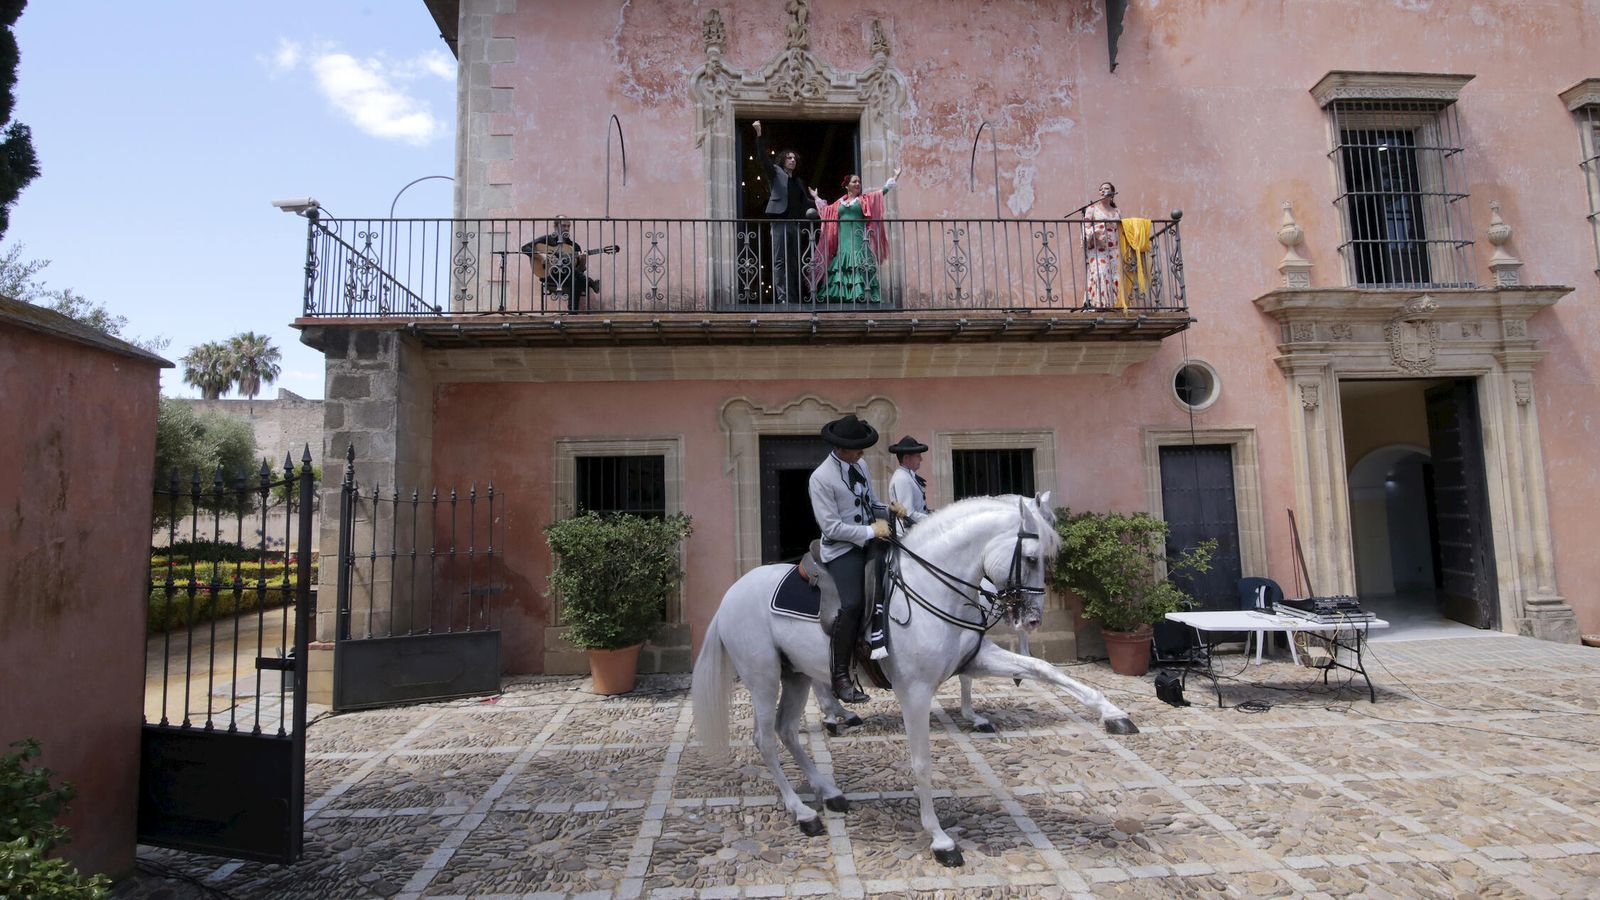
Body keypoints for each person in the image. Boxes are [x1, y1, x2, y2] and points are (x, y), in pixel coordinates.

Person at [809, 414, 905, 702]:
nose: (863, 453)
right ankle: (840, 676)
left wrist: (889, 510)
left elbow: (869, 501)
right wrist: (869, 530)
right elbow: (831, 527)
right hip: (841, 549)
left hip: (870, 538)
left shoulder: (859, 464)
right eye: (858, 448)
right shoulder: (820, 478)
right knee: (851, 604)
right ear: (841, 449)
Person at [809, 168, 901, 304]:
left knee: (859, 265)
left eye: (859, 181)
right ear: (847, 186)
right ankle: (844, 297)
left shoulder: (864, 200)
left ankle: (861, 296)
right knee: (843, 266)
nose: (858, 184)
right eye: (854, 181)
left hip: (859, 241)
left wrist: (895, 176)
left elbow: (881, 192)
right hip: (843, 243)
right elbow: (826, 211)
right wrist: (816, 197)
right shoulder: (839, 203)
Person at [751, 120, 814, 303]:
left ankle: (793, 297)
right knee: (780, 262)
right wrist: (759, 135)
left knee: (793, 263)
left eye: (794, 158)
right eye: (789, 157)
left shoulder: (798, 182)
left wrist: (821, 202)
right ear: (783, 160)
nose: (793, 160)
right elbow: (763, 158)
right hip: (779, 223)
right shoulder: (776, 173)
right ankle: (782, 298)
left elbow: (806, 203)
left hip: (795, 225)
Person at [521, 215, 601, 311]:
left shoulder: (574, 246)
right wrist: (542, 255)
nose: (566, 228)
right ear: (555, 226)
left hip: (568, 276)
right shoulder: (547, 239)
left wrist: (583, 260)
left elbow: (580, 270)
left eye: (568, 226)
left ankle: (572, 313)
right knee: (573, 275)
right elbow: (525, 248)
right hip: (549, 274)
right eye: (564, 226)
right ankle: (590, 282)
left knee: (576, 280)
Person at [1082, 182, 1121, 309]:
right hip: (1098, 249)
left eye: (1107, 188)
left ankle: (1114, 305)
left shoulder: (1117, 211)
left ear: (1112, 193)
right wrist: (1097, 230)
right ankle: (1099, 305)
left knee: (1115, 275)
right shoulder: (1092, 209)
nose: (1103, 190)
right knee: (1101, 272)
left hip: (1114, 249)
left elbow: (1121, 229)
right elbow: (1085, 228)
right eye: (1101, 189)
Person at [887, 435, 932, 527]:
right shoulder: (902, 478)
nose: (921, 459)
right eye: (917, 456)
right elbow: (908, 514)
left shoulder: (908, 475)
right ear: (906, 458)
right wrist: (935, 519)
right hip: (908, 534)